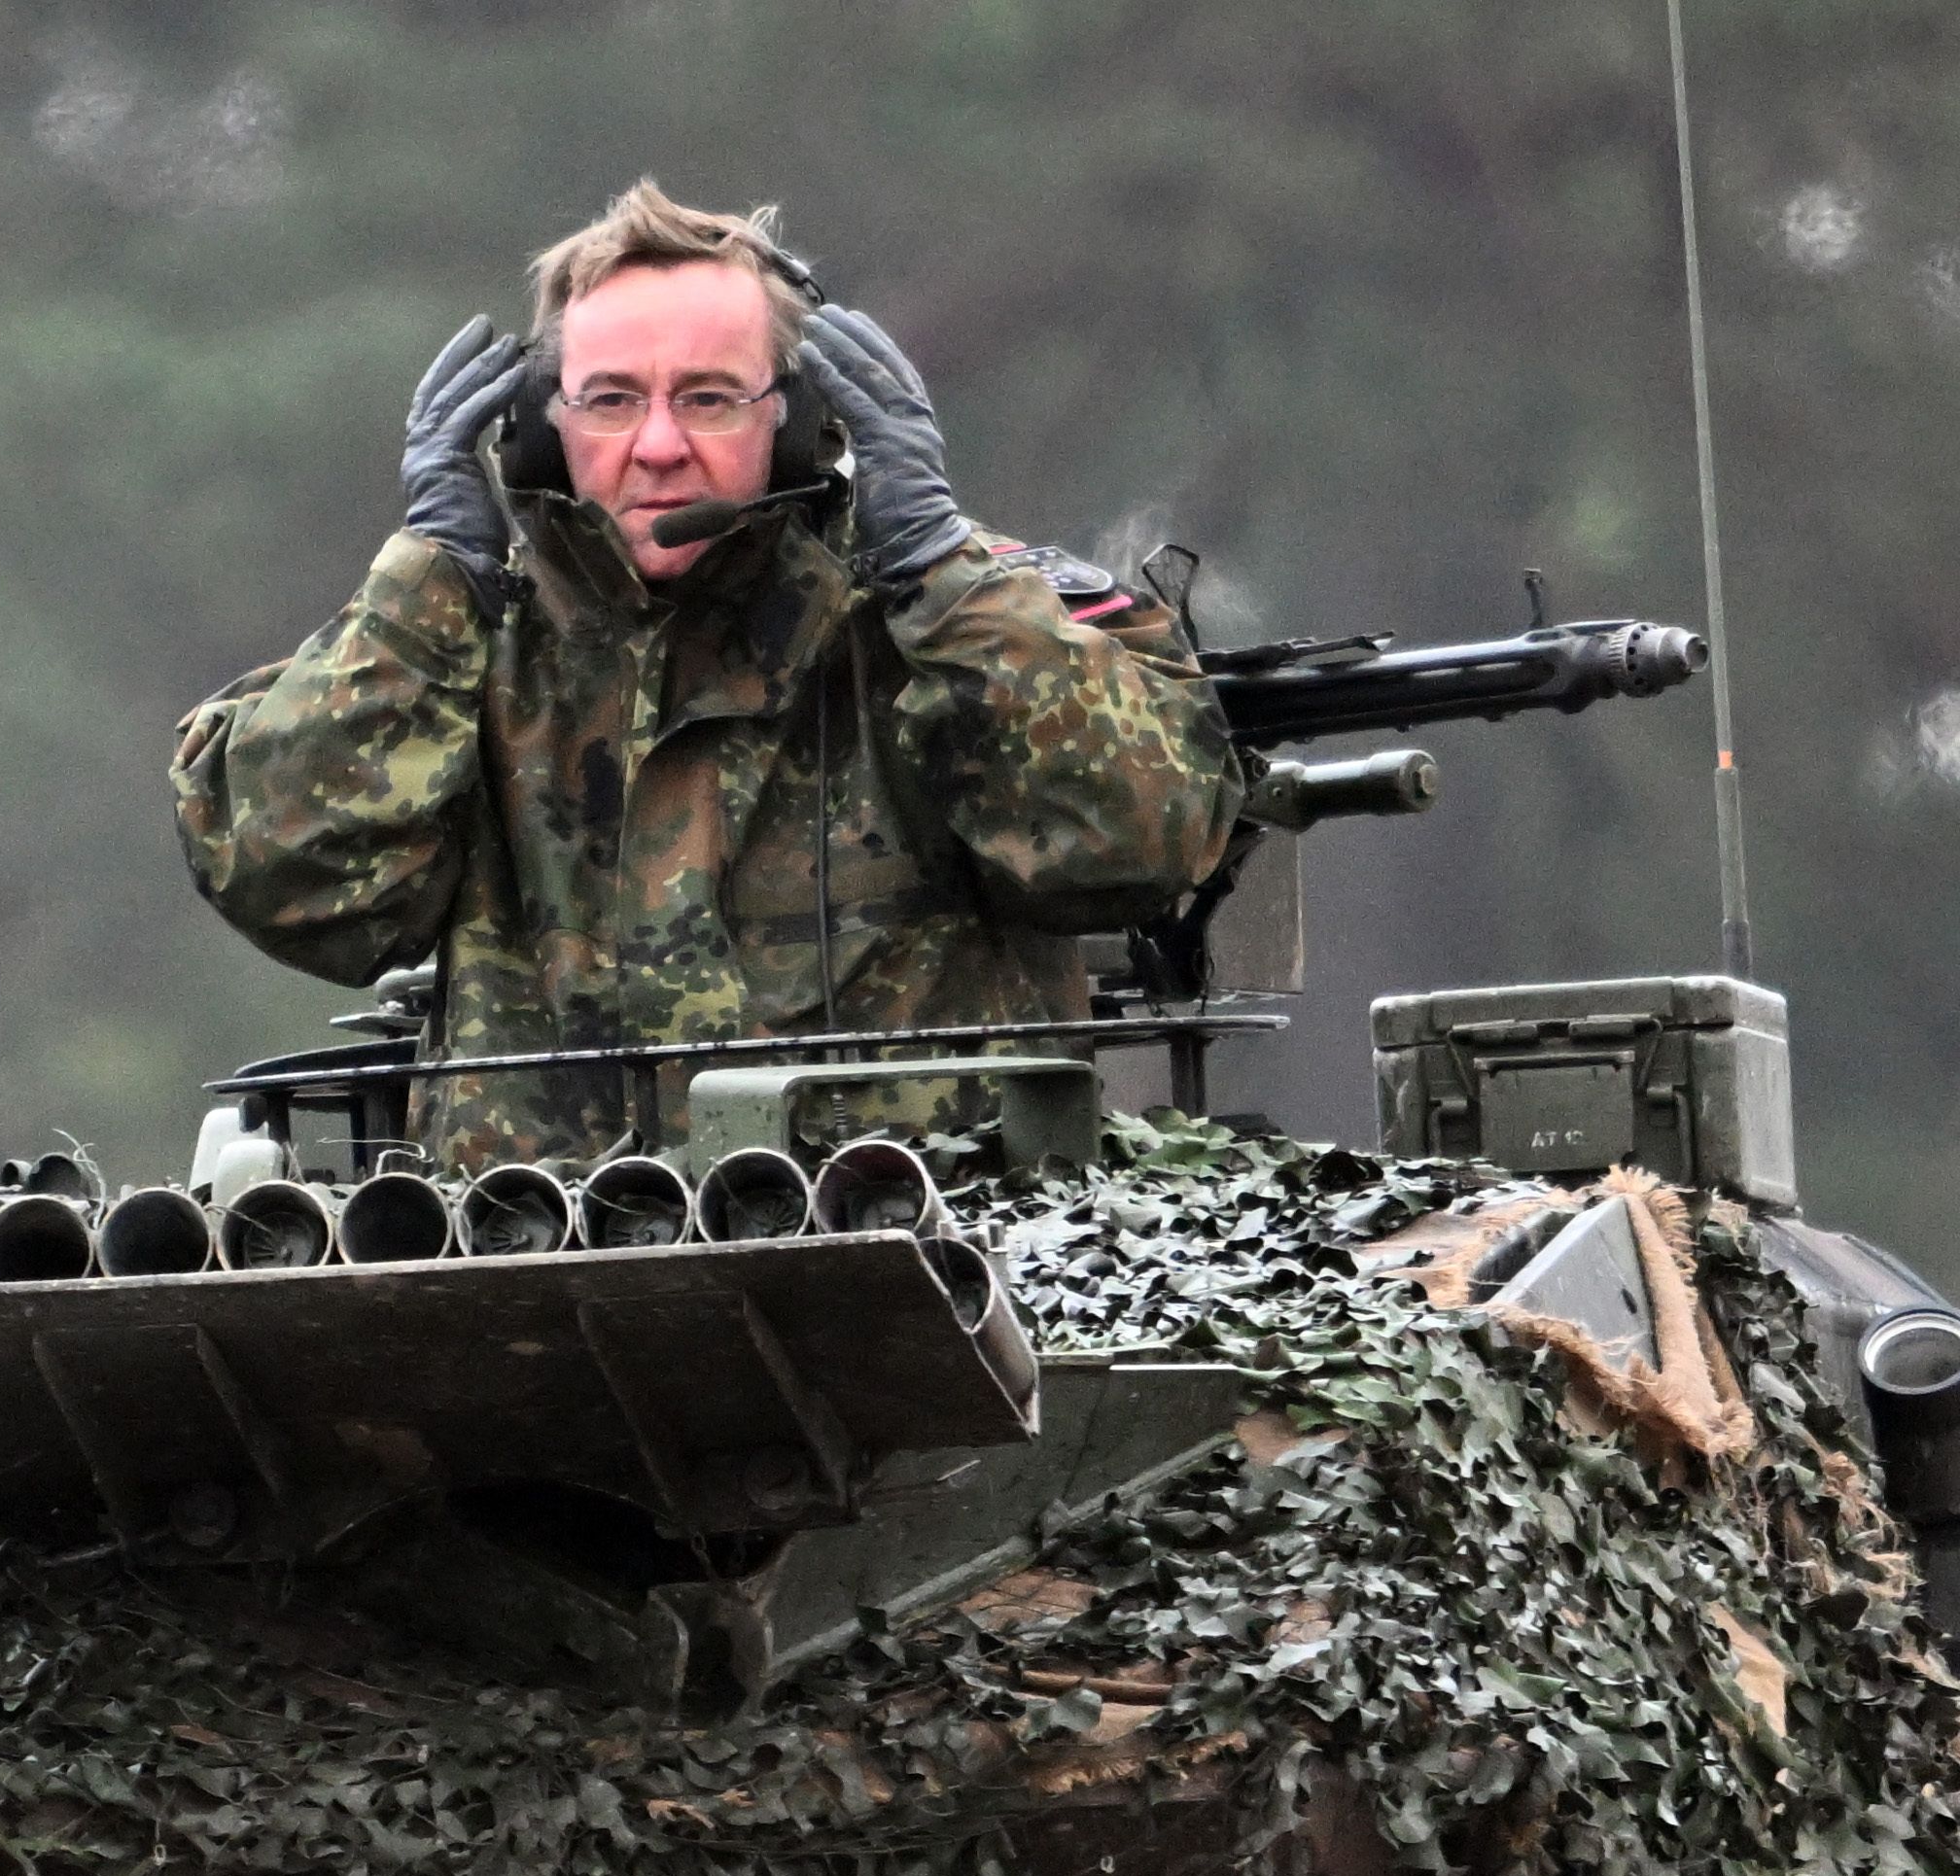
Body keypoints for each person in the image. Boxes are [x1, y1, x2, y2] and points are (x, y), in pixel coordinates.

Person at [169, 177, 1240, 1171]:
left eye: (712, 398)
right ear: (541, 429)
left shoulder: (945, 621)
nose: (659, 445)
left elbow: (1129, 847)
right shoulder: (457, 646)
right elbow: (290, 880)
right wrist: (427, 575)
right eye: (610, 400)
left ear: (801, 418)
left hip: (923, 1272)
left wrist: (937, 570)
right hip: (538, 1284)